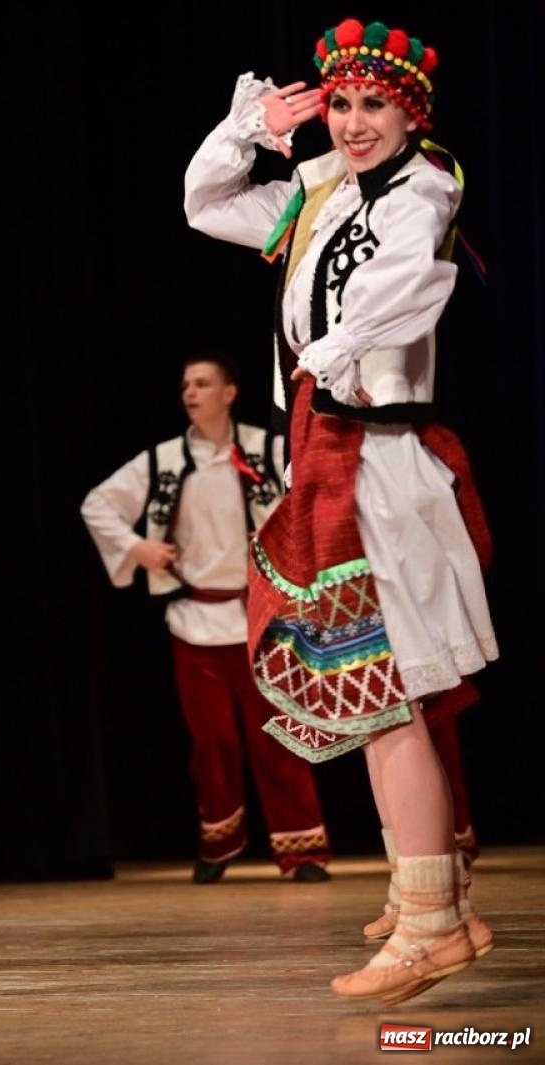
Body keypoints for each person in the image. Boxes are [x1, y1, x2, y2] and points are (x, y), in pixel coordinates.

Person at [184, 17, 496, 1005]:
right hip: (333, 459)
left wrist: (334, 345)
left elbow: (411, 282)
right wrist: (243, 131)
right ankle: (428, 898)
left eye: (374, 104)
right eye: (344, 105)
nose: (355, 123)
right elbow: (206, 205)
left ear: (411, 110)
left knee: (384, 695)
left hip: (381, 462)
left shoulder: (423, 189)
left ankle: (433, 919)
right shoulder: (320, 189)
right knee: (373, 697)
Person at [82, 355, 331, 883]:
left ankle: (302, 850)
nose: (190, 392)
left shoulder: (267, 451)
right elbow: (97, 504)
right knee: (213, 741)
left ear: (230, 392)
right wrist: (137, 547)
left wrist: (288, 549)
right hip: (195, 619)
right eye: (185, 385)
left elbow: (313, 495)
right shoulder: (165, 461)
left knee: (277, 735)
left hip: (264, 620)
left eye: (202, 383)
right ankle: (218, 842)